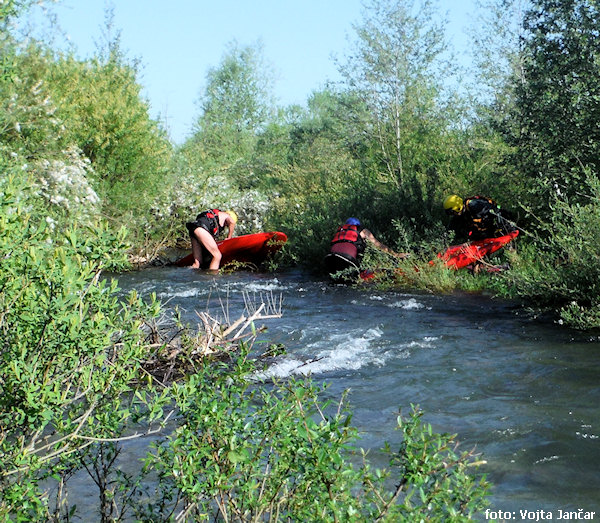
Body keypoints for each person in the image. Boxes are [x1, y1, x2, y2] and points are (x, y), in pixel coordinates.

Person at [324, 217, 407, 280]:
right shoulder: (362, 231)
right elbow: (378, 245)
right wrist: (395, 254)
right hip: (347, 259)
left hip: (330, 258)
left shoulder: (340, 231)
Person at [443, 194, 515, 242]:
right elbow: (451, 229)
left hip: (500, 223)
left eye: (452, 212)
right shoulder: (460, 215)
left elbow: (495, 212)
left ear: (458, 208)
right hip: (486, 230)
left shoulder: (474, 205)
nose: (452, 215)